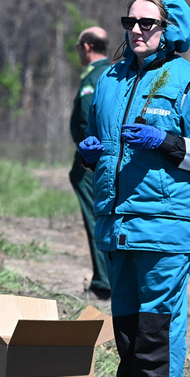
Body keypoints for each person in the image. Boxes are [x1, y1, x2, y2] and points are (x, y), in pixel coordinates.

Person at [77, 0, 190, 377]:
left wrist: (164, 142)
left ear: (169, 31)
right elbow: (101, 140)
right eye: (130, 23)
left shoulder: (188, 81)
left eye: (148, 23)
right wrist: (90, 153)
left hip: (163, 219)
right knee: (125, 319)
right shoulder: (110, 79)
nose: (137, 31)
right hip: (117, 220)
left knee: (156, 318)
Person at [69, 26, 112, 299]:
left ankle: (105, 280)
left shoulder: (94, 78)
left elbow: (87, 121)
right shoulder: (111, 73)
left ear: (86, 47)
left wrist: (88, 156)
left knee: (97, 217)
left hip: (92, 160)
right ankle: (106, 277)